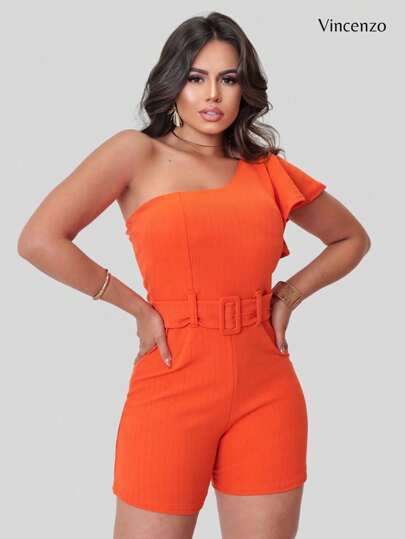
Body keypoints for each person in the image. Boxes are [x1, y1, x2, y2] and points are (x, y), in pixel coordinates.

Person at [17, 11, 371, 539]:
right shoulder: (136, 152)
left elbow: (351, 238)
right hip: (172, 375)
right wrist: (137, 308)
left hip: (267, 386)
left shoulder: (265, 167)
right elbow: (39, 240)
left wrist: (288, 295)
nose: (212, 95)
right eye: (196, 77)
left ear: (244, 88)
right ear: (172, 82)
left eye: (228, 78)